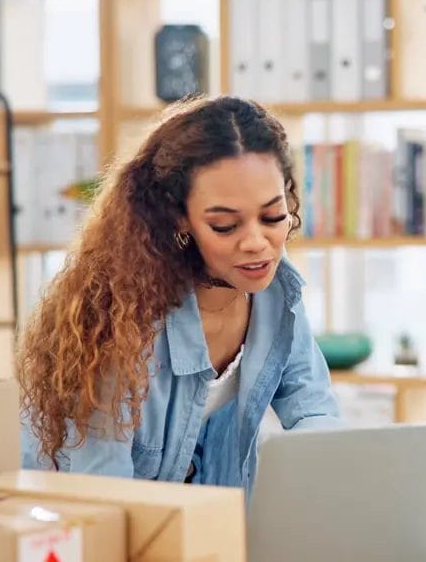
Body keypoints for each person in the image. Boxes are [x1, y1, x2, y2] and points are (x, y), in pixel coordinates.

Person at [18, 95, 341, 491]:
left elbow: (316, 411)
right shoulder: (120, 319)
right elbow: (103, 491)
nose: (257, 242)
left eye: (273, 216)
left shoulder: (276, 292)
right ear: (178, 217)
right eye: (225, 225)